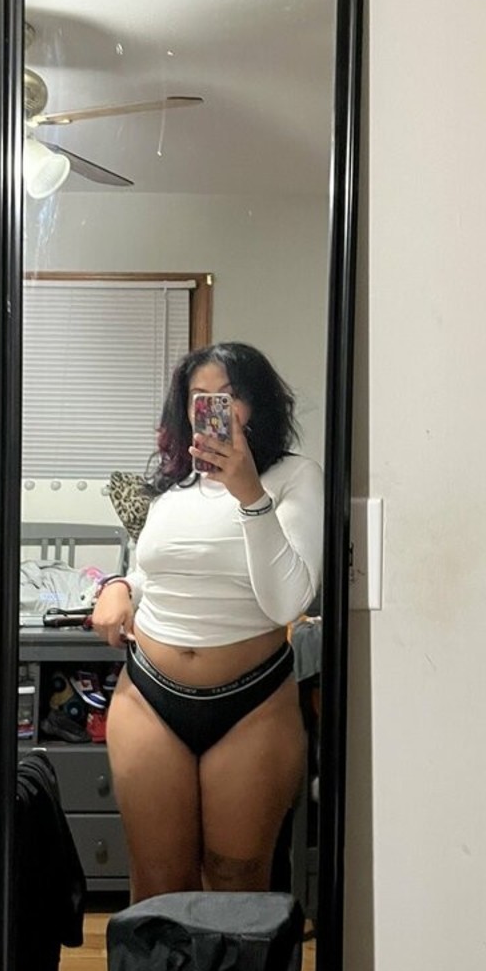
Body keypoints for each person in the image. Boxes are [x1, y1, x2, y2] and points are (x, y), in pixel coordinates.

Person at [90, 342, 323, 900]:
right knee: (158, 881)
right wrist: (119, 586)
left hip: (252, 704)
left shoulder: (294, 477)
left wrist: (249, 493)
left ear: (257, 403)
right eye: (201, 397)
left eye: (229, 395)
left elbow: (287, 602)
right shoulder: (174, 487)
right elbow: (152, 570)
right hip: (148, 697)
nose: (215, 408)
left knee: (237, 881)